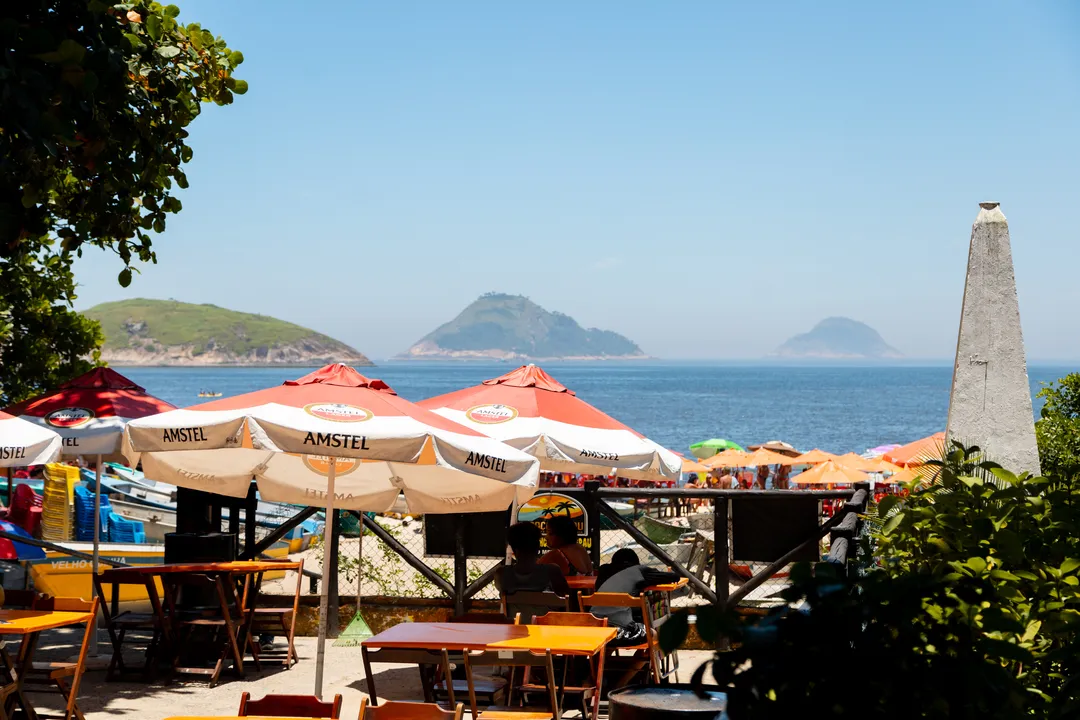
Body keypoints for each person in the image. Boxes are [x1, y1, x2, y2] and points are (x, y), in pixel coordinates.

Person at [496, 523, 569, 596]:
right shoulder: (552, 571)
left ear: (513, 548)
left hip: (516, 607)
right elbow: (566, 598)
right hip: (545, 607)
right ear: (537, 546)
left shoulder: (502, 574)